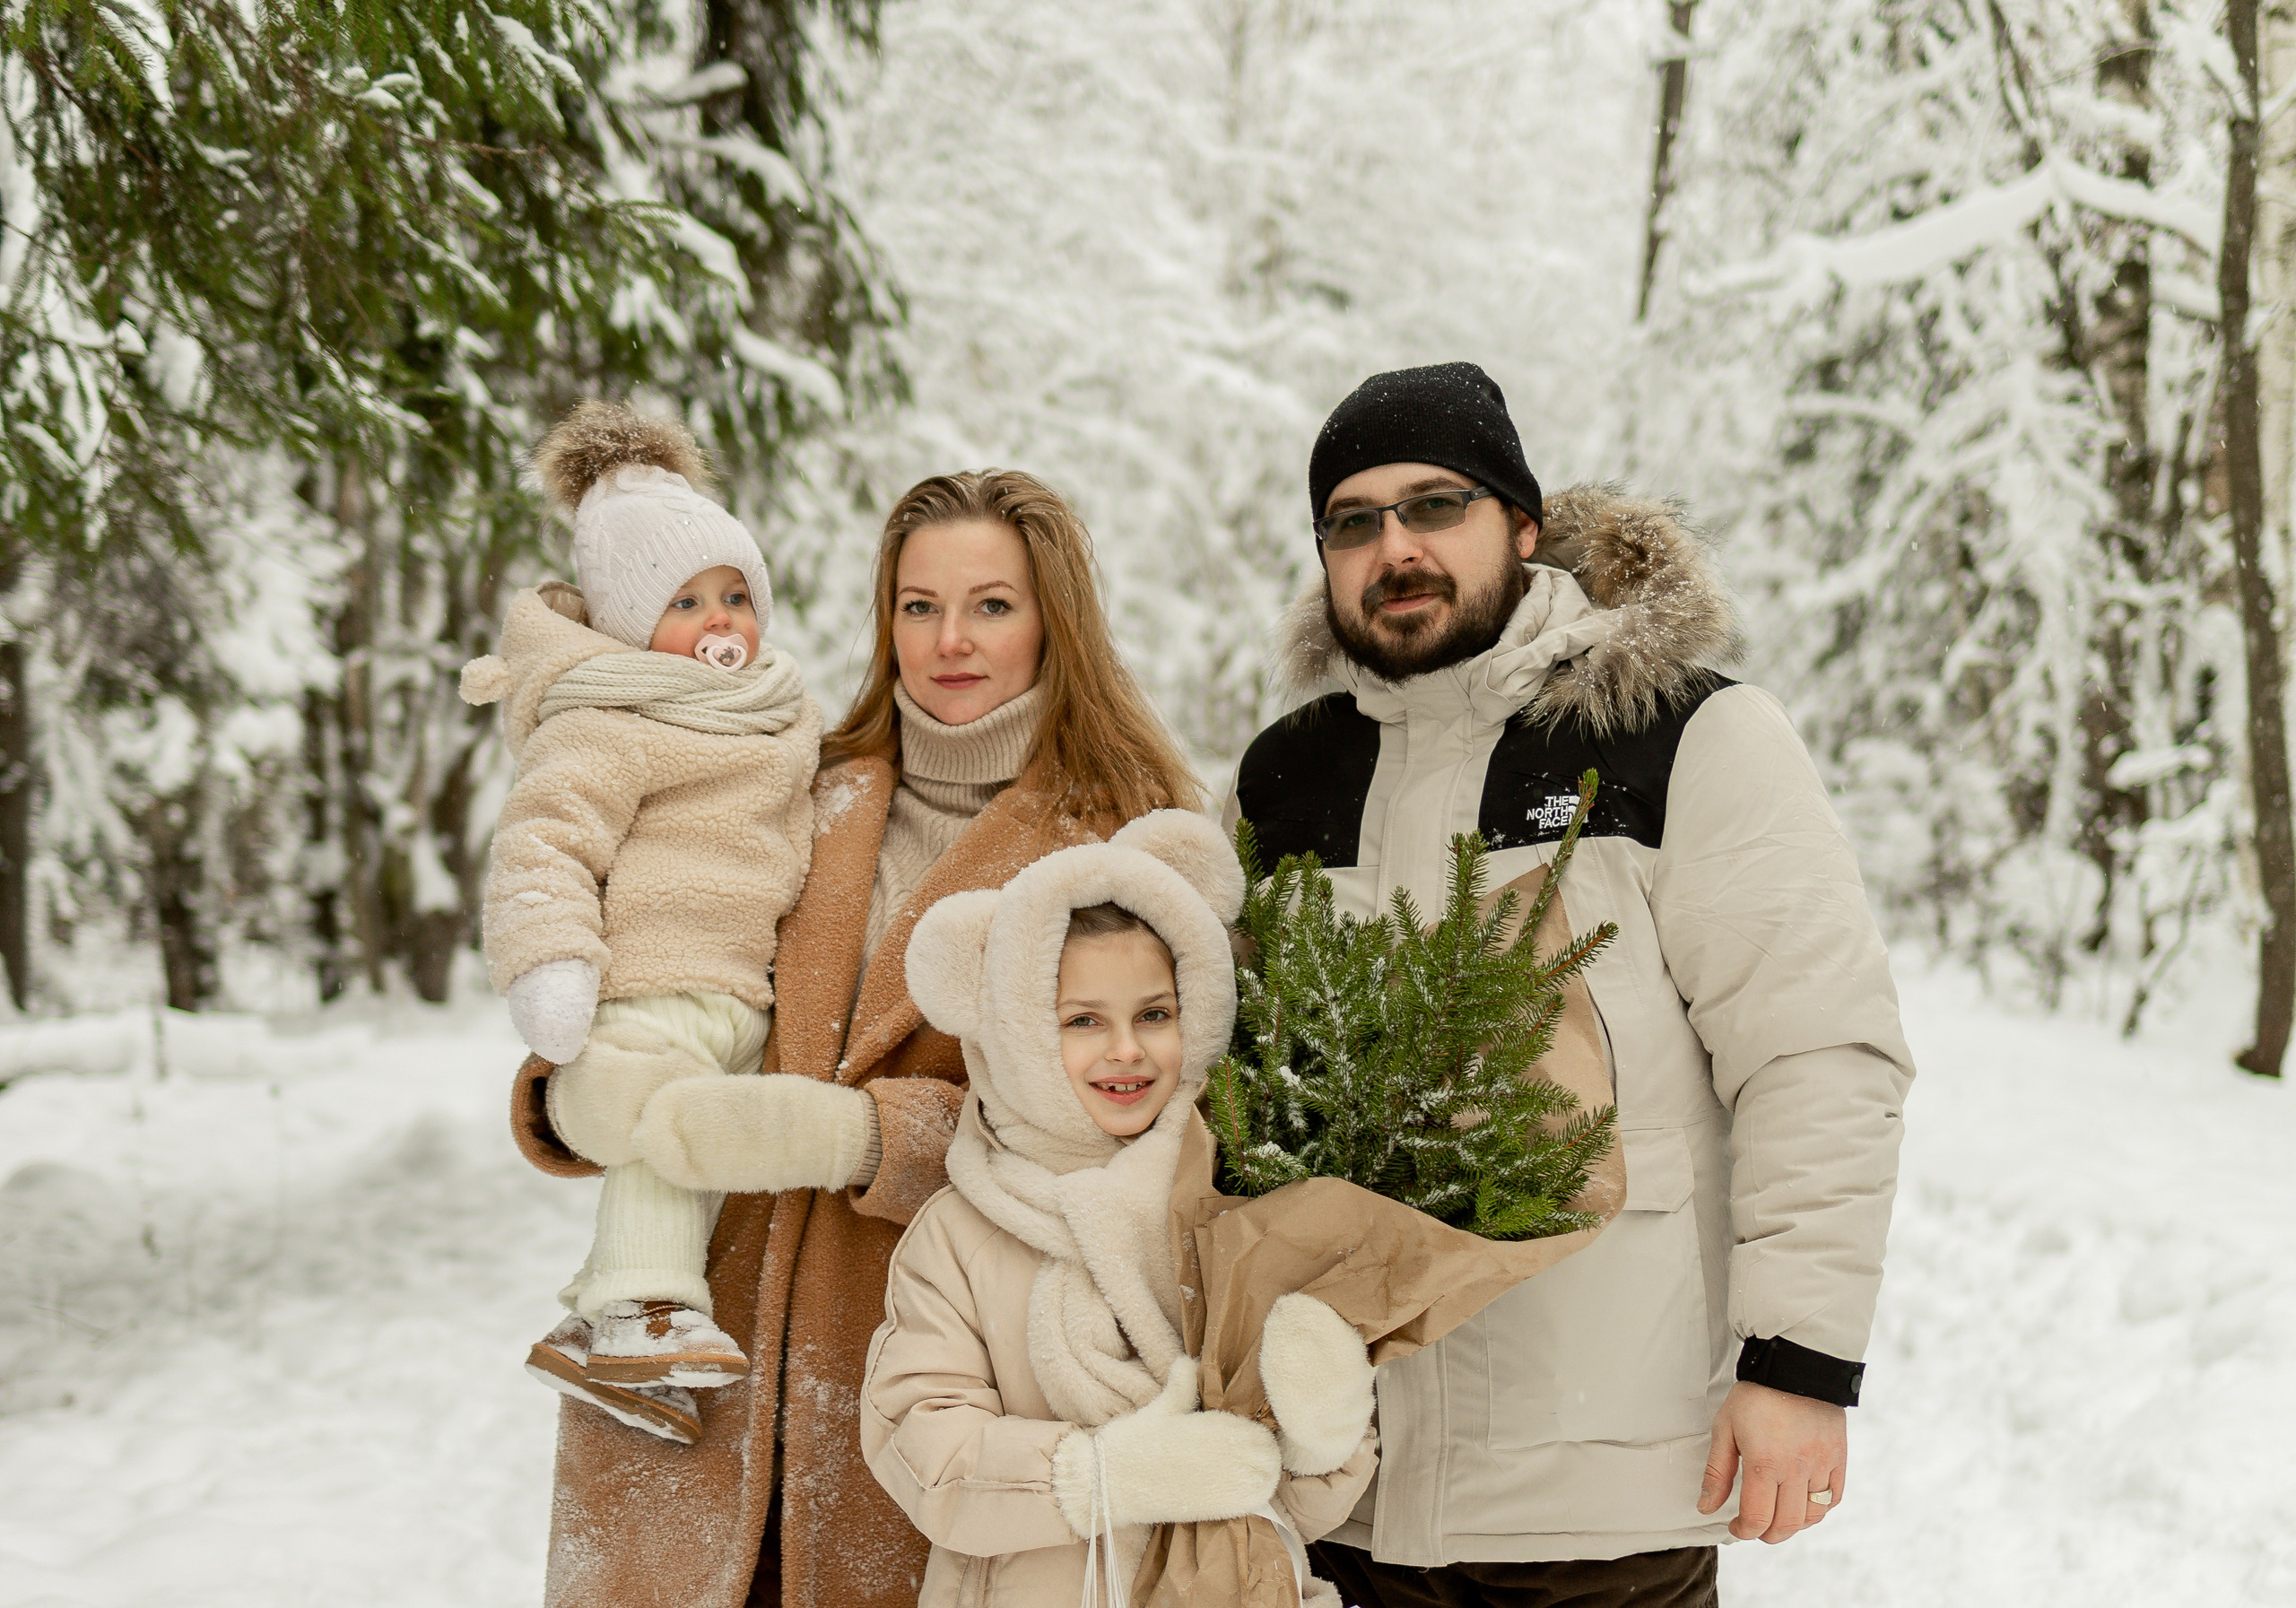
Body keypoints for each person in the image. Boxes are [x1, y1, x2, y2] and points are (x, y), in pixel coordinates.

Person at [1228, 362, 1915, 1608]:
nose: (1397, 547)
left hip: (1602, 1484)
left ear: (1523, 525)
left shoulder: (1684, 735)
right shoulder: (1286, 776)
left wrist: (1800, 1364)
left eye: (1437, 506)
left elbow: (1816, 1052)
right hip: (1341, 1487)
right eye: (1354, 520)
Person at [509, 469, 1202, 1608]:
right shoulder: (791, 777)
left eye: (991, 604)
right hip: (691, 1369)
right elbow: (667, 951)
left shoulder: (1117, 841)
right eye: (917, 606)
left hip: (926, 1384)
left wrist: (861, 1136)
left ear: (1053, 617)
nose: (949, 640)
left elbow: (1132, 1118)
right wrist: (578, 1085)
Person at [863, 812, 1378, 1608]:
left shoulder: (1247, 1200)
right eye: (1082, 1021)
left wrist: (1321, 1432)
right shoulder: (962, 1235)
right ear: (1017, 1029)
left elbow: (1301, 1506)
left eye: (1154, 1014)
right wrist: (1108, 1476)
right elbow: (923, 1453)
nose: (1127, 1049)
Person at [461, 400, 822, 1445]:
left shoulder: (777, 708)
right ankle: (638, 1312)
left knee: (707, 1158)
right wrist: (551, 968)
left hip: (742, 988)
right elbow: (544, 845)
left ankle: (603, 1331)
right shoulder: (607, 721)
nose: (722, 622)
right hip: (649, 983)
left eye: (736, 594)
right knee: (667, 1125)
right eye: (685, 601)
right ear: (627, 621)